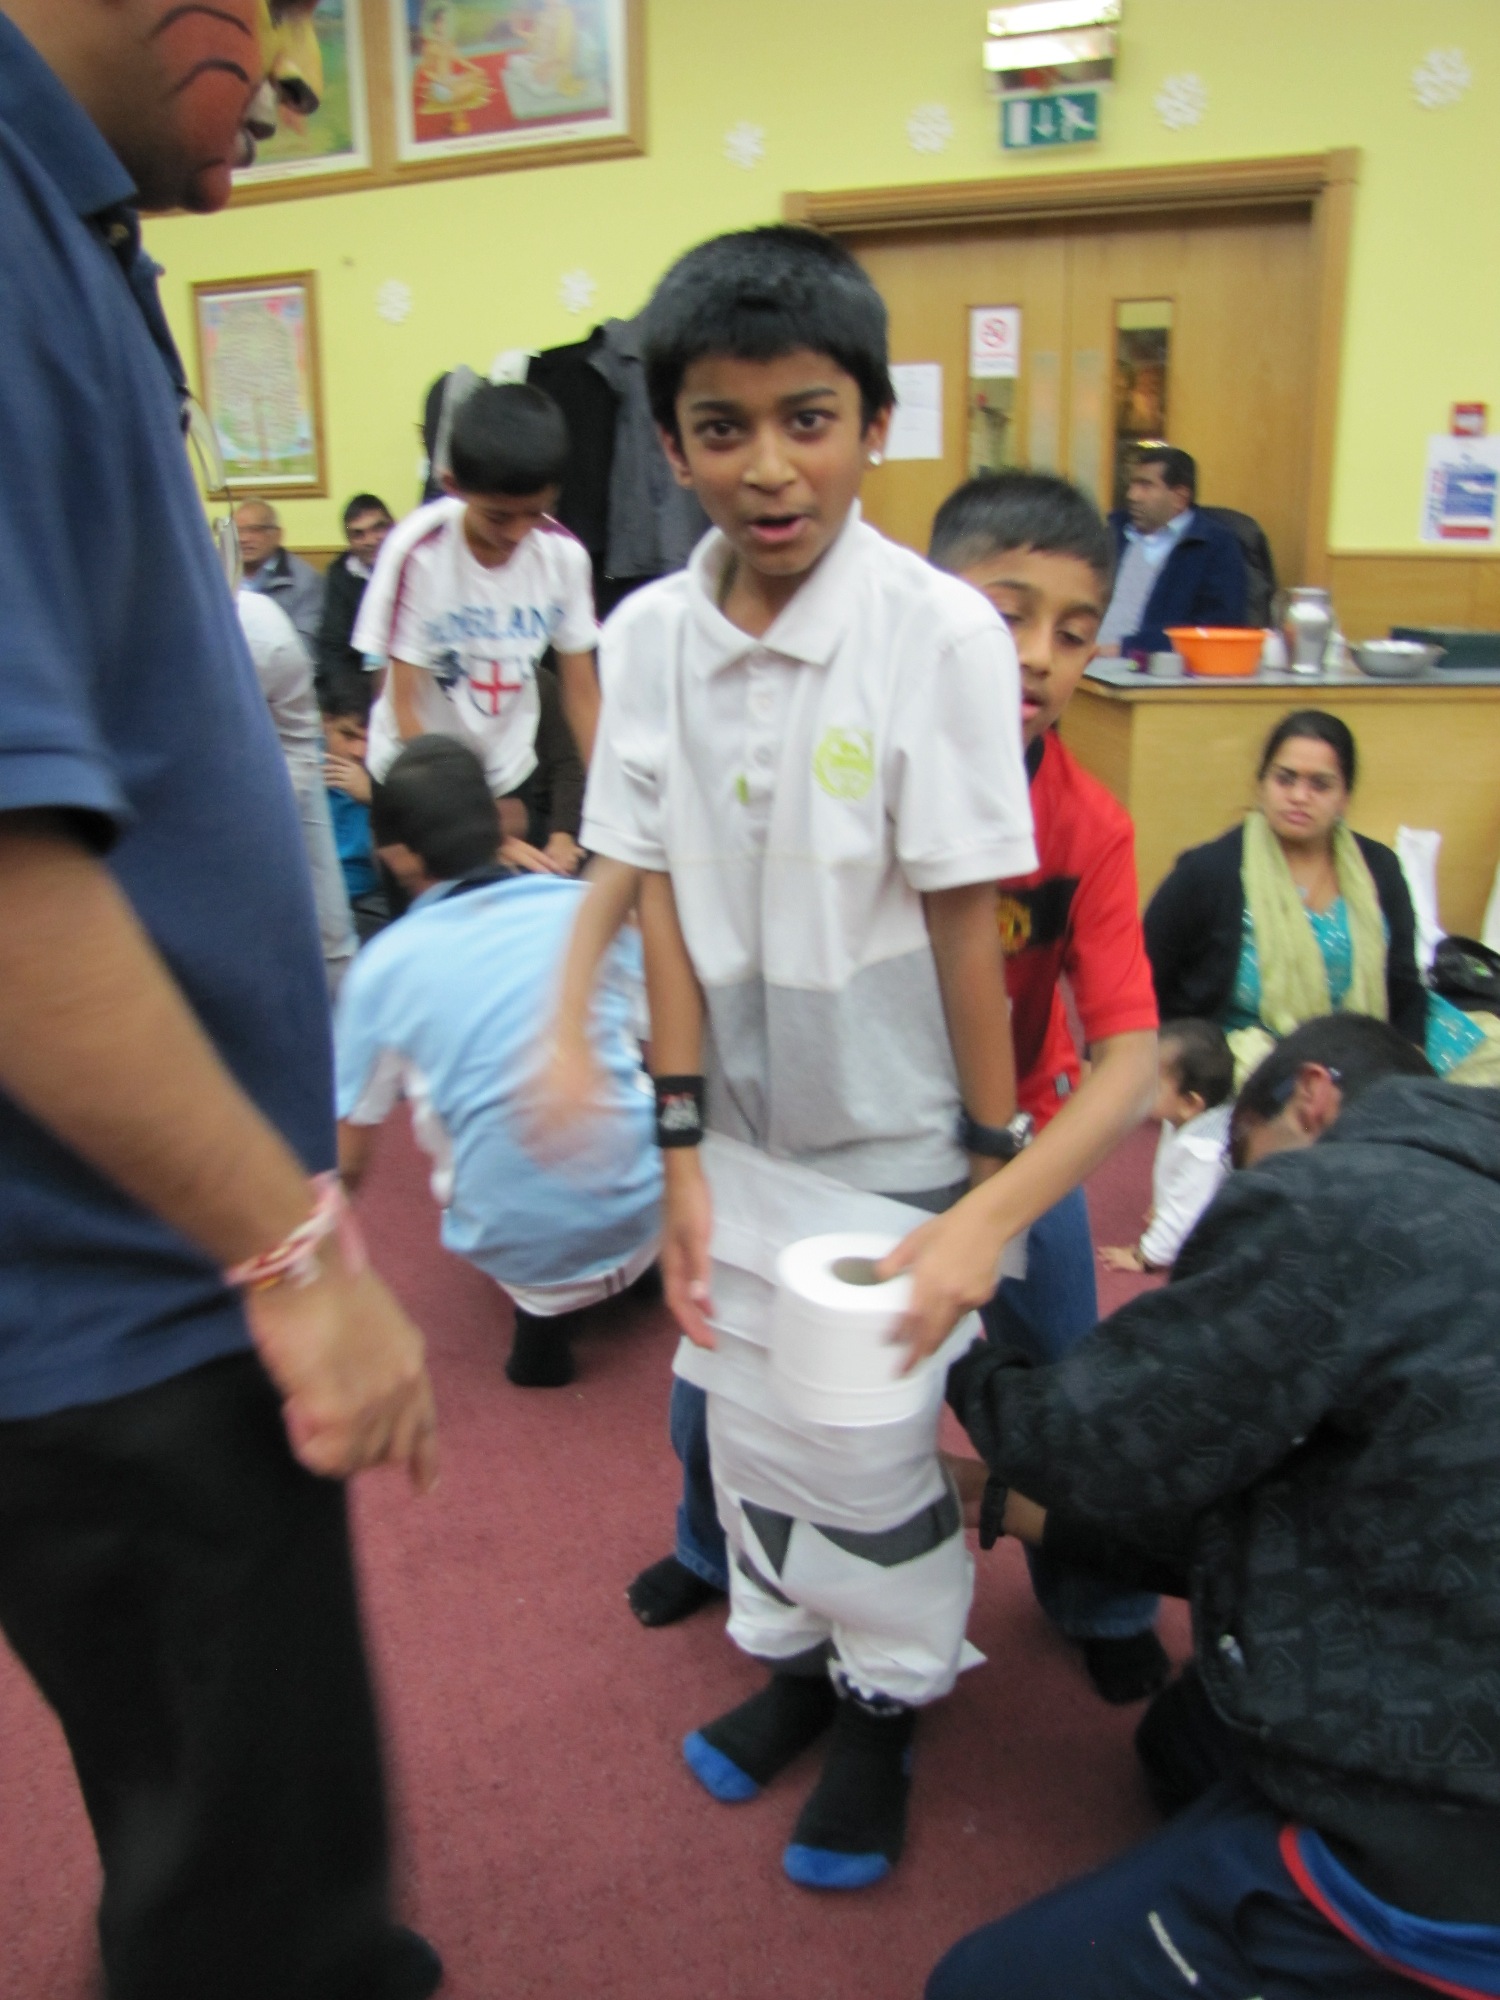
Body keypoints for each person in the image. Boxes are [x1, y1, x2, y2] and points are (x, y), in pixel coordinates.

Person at [0, 7, 440, 2000]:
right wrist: (287, 1243)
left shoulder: (75, 219)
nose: (272, 58)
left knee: (220, 1815)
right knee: (253, 1904)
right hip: (129, 1291)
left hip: (144, 1273)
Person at [552, 224, 1038, 1890]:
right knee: (743, 1425)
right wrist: (679, 1155)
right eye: (723, 426)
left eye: (810, 419)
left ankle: (894, 1696)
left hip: (898, 1131)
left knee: (869, 1442)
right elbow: (661, 909)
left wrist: (990, 1171)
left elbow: (972, 924)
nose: (770, 469)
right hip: (735, 1129)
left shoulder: (943, 636)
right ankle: (796, 1662)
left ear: (875, 423)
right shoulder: (645, 642)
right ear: (671, 440)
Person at [926, 1013, 1500, 2000]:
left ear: (1313, 1095)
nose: (1233, 1191)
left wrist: (961, 1361)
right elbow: (1301, 1504)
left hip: (1452, 1838)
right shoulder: (1462, 1189)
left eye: (1242, 1157)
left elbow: (1090, 1441)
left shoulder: (1336, 1203)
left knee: (974, 1985)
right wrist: (1007, 1502)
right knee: (1184, 1742)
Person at [336, 737, 660, 1388]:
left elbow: (350, 1151)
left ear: (395, 852)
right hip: (652, 1206)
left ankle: (541, 1330)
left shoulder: (384, 967)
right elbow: (655, 1037)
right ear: (502, 824)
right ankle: (638, 1269)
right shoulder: (583, 908)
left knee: (453, 1120)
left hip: (520, 1247)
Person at [1141, 710, 1474, 1082]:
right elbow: (1141, 977)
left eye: (1320, 784)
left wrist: (1410, 1069)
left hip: (1369, 1049)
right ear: (1261, 784)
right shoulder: (1207, 873)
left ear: (1344, 797)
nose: (1300, 796)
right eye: (1285, 779)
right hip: (1250, 1060)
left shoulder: (1378, 868)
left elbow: (1404, 985)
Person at [353, 383, 602, 834]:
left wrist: (613, 811)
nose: (518, 533)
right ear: (453, 486)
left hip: (504, 771)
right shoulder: (417, 553)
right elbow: (402, 700)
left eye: (536, 512)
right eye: (498, 517)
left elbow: (582, 694)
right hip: (416, 771)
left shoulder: (564, 557)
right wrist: (468, 825)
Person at [237, 586, 357, 991]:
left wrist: (266, 815)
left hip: (277, 768)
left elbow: (299, 739)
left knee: (331, 930)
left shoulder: (266, 638)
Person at [1100, 1017, 1233, 1274]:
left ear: (1190, 1103)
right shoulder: (1183, 1117)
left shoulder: (1202, 1153)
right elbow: (1174, 1175)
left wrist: (1146, 1255)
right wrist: (1163, 1206)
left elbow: (1183, 1216)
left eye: (1154, 1083)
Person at [1096, 445, 1249, 656]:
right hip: (1084, 663)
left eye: (1145, 486)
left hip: (1150, 672)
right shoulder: (1113, 534)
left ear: (1180, 497)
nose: (1132, 495)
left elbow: (1215, 630)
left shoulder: (1214, 546)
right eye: (1132, 484)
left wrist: (1125, 649)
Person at [321, 672, 389, 941]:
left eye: (368, 739)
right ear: (325, 723)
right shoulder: (296, 768)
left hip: (369, 903)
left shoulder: (390, 773)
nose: (359, 751)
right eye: (348, 735)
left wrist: (376, 798)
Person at [318, 491, 394, 694]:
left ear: (394, 526)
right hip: (360, 686)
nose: (370, 540)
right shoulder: (340, 574)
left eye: (378, 528)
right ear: (349, 541)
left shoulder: (417, 566)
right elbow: (334, 648)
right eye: (358, 534)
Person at [236, 496, 326, 652]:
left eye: (255, 530)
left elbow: (303, 646)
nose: (243, 538)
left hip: (277, 667)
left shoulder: (305, 580)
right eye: (237, 531)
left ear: (277, 535)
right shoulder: (215, 575)